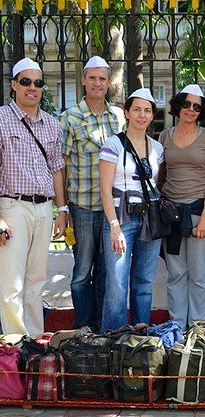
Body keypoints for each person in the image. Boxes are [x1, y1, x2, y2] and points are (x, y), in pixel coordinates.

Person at [0, 57, 67, 336]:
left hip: (44, 208)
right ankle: (15, 345)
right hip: (12, 207)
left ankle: (34, 342)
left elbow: (56, 169)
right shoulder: (2, 119)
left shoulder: (52, 124)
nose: (32, 88)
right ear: (14, 84)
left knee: (36, 280)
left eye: (37, 83)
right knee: (11, 283)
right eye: (25, 82)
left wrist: (61, 209)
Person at [61, 56, 125, 332]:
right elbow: (60, 165)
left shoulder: (119, 117)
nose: (97, 83)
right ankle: (83, 329)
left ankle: (101, 330)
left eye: (102, 79)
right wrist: (63, 208)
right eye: (92, 78)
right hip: (83, 206)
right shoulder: (69, 118)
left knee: (106, 272)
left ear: (108, 83)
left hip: (113, 208)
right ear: (84, 81)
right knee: (81, 273)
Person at [99, 88, 164, 332]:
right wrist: (114, 226)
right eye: (136, 109)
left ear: (152, 115)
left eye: (147, 110)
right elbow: (105, 189)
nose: (142, 115)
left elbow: (156, 183)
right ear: (127, 112)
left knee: (144, 282)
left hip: (149, 218)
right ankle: (115, 341)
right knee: (117, 283)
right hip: (121, 218)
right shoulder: (113, 144)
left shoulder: (157, 148)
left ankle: (140, 337)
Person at [157, 84, 205, 330]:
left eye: (197, 106)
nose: (191, 110)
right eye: (186, 104)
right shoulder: (165, 136)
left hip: (197, 214)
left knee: (198, 275)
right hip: (171, 215)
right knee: (175, 275)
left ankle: (199, 328)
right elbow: (160, 176)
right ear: (177, 105)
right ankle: (176, 327)